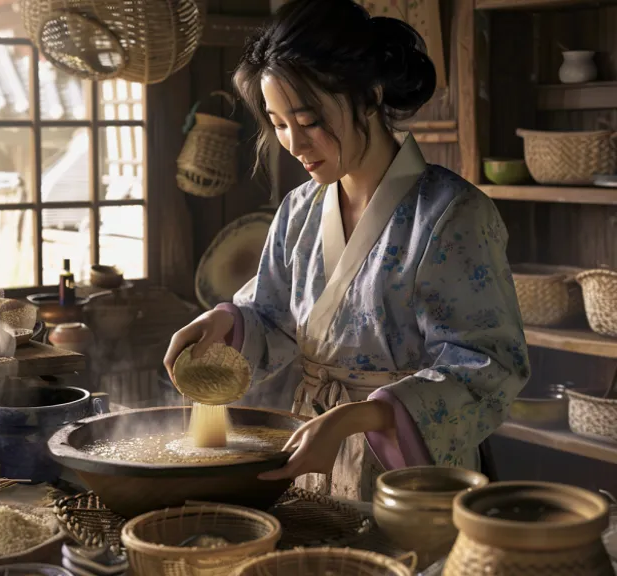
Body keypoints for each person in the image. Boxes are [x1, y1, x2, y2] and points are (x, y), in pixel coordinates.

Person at [164, 0, 530, 501]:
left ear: (369, 97)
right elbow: (273, 315)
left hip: (406, 471)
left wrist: (359, 416)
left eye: (309, 120)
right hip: (312, 443)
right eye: (278, 123)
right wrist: (226, 324)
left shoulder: (452, 214)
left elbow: (488, 365)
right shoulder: (300, 209)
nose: (293, 143)